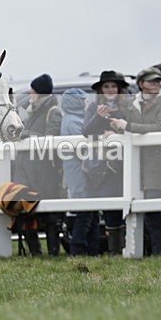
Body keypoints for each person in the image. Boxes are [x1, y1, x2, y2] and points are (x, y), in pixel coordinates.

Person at [109, 67, 161, 255]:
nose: (156, 85)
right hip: (143, 166)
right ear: (141, 84)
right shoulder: (136, 104)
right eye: (151, 81)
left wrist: (128, 126)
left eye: (158, 81)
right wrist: (118, 129)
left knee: (159, 213)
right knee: (152, 214)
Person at [14, 73, 64, 256]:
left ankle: (53, 252)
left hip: (45, 173)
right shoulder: (33, 110)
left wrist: (28, 136)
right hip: (29, 171)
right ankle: (35, 251)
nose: (30, 93)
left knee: (50, 215)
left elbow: (51, 138)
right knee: (27, 212)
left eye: (33, 90)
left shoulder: (53, 112)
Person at [82, 70, 130, 254]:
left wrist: (118, 132)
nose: (110, 90)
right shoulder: (93, 108)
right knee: (111, 210)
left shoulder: (127, 108)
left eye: (113, 86)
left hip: (125, 164)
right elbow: (86, 130)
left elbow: (133, 127)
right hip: (103, 166)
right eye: (106, 87)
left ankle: (127, 247)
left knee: (126, 208)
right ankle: (114, 251)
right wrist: (99, 117)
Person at [60, 88, 98, 256]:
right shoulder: (74, 122)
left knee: (88, 213)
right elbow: (83, 150)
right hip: (80, 174)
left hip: (75, 173)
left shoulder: (70, 119)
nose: (87, 103)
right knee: (85, 214)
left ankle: (90, 248)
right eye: (83, 100)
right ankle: (79, 248)